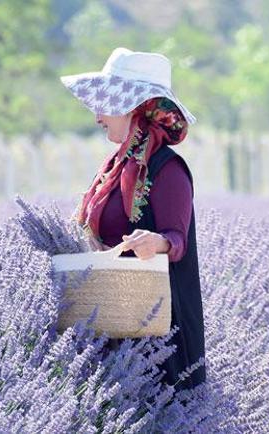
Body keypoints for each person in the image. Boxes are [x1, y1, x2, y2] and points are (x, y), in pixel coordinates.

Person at [60, 47, 206, 390]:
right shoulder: (116, 166)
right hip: (112, 319)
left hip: (158, 333)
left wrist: (157, 242)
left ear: (133, 106)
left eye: (105, 104)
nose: (97, 115)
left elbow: (178, 239)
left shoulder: (166, 167)